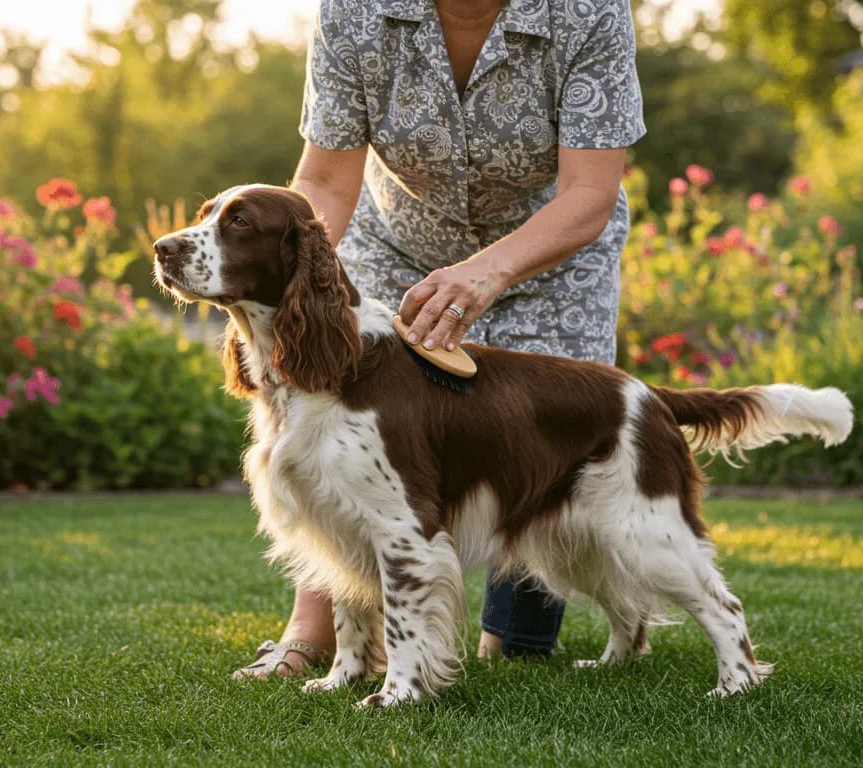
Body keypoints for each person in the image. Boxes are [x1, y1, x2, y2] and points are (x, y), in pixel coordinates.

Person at [233, 0, 645, 679]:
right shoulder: (355, 11)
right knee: (339, 435)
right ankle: (318, 635)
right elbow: (327, 179)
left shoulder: (588, 11)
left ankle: (513, 637)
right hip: (394, 249)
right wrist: (297, 280)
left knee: (544, 442)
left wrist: (487, 273)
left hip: (553, 260)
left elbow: (589, 192)